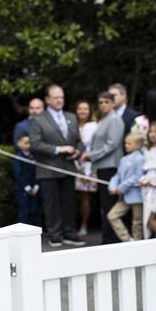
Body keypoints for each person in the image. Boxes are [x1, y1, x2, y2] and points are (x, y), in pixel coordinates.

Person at [29, 85, 85, 247]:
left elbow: (79, 141)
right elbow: (35, 144)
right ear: (47, 100)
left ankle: (70, 233)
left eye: (62, 97)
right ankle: (55, 235)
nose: (60, 100)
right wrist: (59, 149)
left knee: (69, 202)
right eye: (56, 97)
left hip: (68, 167)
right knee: (51, 204)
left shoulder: (71, 117)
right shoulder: (38, 119)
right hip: (48, 168)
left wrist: (78, 152)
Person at [83, 92, 124, 244]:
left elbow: (112, 144)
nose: (103, 105)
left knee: (109, 204)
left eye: (106, 102)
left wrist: (92, 155)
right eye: (100, 102)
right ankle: (108, 237)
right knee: (105, 205)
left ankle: (111, 239)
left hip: (111, 166)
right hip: (103, 166)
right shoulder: (103, 119)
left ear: (113, 103)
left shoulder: (114, 119)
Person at [106, 133, 146, 241]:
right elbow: (117, 175)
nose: (126, 145)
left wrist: (121, 188)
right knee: (112, 215)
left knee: (137, 222)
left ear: (137, 145)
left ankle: (138, 243)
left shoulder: (141, 159)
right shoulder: (123, 159)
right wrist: (112, 186)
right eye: (125, 143)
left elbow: (137, 177)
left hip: (137, 196)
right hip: (125, 196)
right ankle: (127, 240)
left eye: (129, 143)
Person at [73, 100, 97, 236]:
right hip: (73, 164)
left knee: (86, 197)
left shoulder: (93, 126)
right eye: (80, 108)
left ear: (90, 111)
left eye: (86, 109)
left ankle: (84, 225)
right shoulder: (72, 124)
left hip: (88, 164)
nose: (83, 111)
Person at [13, 133, 41, 226]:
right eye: (26, 142)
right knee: (24, 211)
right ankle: (22, 233)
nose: (28, 144)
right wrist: (27, 187)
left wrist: (36, 186)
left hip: (34, 188)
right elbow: (18, 173)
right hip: (22, 189)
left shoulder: (34, 156)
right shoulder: (18, 157)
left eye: (30, 142)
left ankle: (34, 231)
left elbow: (38, 171)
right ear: (19, 143)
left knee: (34, 210)